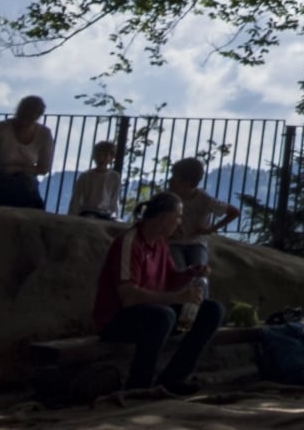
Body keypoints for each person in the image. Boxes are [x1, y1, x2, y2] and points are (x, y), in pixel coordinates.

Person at [94, 192, 226, 397]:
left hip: (154, 313)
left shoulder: (160, 243)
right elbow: (129, 296)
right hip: (118, 319)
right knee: (163, 316)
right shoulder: (130, 243)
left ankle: (174, 378)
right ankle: (139, 386)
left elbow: (170, 278)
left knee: (211, 310)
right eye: (178, 216)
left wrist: (191, 272)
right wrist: (176, 298)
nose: (179, 222)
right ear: (164, 218)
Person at [166, 156, 239, 293]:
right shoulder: (169, 197)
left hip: (196, 242)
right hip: (174, 242)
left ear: (188, 184)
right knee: (179, 271)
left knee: (200, 274)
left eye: (174, 178)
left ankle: (199, 307)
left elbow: (234, 212)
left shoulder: (205, 199)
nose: (170, 181)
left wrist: (210, 229)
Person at [70, 141, 125, 220]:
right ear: (94, 157)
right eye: (98, 155)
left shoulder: (115, 177)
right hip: (88, 212)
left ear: (111, 158)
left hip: (106, 214)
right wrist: (72, 216)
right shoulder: (85, 176)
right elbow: (76, 199)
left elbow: (114, 200)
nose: (101, 159)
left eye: (105, 155)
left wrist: (115, 216)